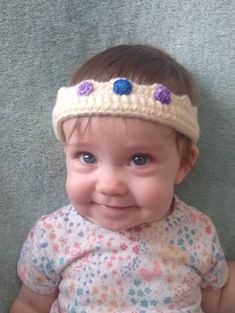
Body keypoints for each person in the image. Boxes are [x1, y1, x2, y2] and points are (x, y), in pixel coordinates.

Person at [10, 44, 235, 313]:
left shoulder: (198, 232)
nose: (109, 186)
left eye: (139, 159)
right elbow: (31, 305)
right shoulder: (54, 236)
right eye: (87, 157)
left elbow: (216, 303)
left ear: (183, 164)